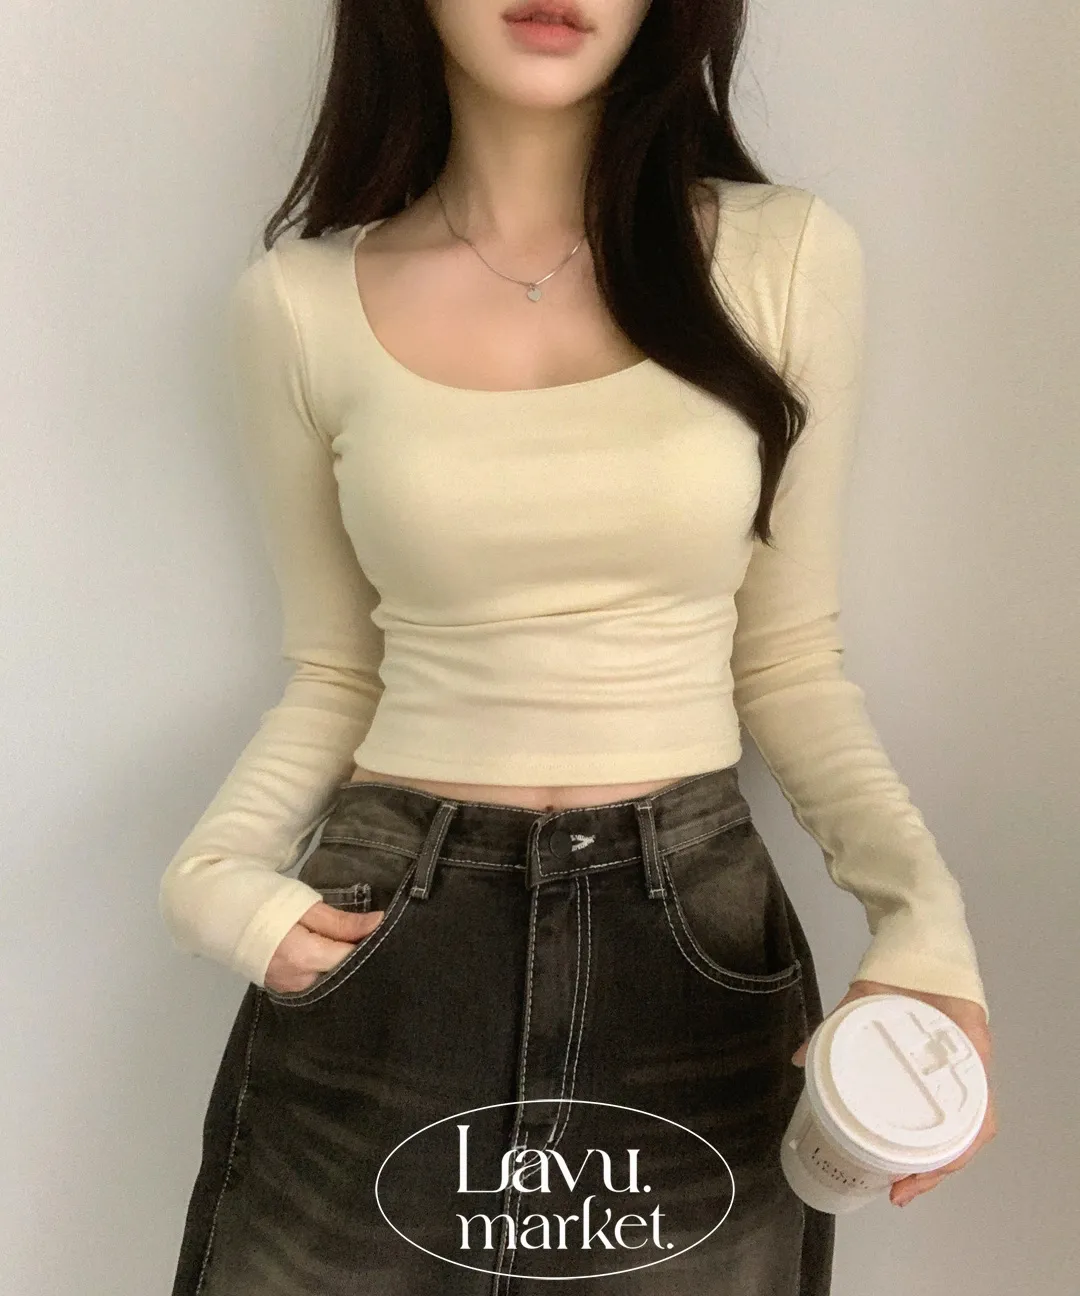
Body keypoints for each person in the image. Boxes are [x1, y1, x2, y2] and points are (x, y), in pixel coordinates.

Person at [160, 2, 996, 1292]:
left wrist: (926, 930)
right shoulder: (297, 304)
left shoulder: (783, 258)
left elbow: (787, 663)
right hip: (387, 939)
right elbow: (337, 669)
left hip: (692, 947)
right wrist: (213, 877)